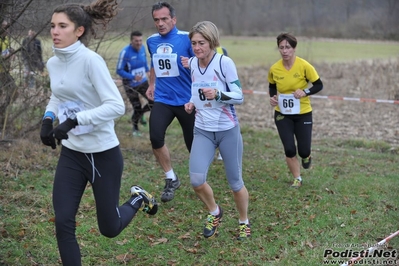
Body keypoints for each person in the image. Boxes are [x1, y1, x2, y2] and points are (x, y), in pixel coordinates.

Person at [39, 1, 158, 265]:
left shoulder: (91, 62)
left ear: (79, 30)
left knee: (110, 228)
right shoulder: (54, 63)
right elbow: (57, 96)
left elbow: (115, 106)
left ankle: (138, 198)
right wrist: (48, 119)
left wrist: (73, 121)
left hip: (103, 154)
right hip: (72, 155)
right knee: (63, 221)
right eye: (52, 26)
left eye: (62, 26)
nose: (54, 32)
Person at [182, 21, 250, 240]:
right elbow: (197, 92)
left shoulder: (224, 63)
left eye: (201, 43)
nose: (197, 48)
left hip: (227, 130)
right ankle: (214, 211)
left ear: (212, 42)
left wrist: (219, 94)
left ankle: (243, 221)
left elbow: (239, 95)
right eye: (193, 43)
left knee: (235, 183)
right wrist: (192, 103)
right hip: (202, 130)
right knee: (196, 180)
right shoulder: (193, 63)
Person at [146, 1, 195, 203]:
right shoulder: (151, 41)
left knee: (194, 146)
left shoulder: (188, 39)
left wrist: (191, 63)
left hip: (187, 101)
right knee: (155, 138)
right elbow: (154, 64)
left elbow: (204, 65)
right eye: (156, 20)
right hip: (163, 99)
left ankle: (200, 178)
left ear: (173, 19)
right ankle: (171, 178)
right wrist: (151, 84)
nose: (160, 23)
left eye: (164, 19)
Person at [268, 32, 323, 188]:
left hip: (303, 112)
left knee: (303, 150)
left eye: (288, 47)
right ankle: (297, 179)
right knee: (290, 148)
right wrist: (273, 97)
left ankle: (307, 157)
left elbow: (319, 85)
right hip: (282, 114)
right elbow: (272, 85)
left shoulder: (305, 66)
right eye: (281, 48)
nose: (285, 51)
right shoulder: (274, 68)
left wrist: (305, 92)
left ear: (294, 48)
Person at [116, 30, 152, 136]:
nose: (139, 43)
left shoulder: (143, 49)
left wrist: (149, 72)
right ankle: (135, 129)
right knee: (136, 106)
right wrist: (132, 77)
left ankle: (139, 115)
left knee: (153, 100)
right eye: (136, 41)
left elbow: (145, 63)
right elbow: (119, 70)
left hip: (142, 81)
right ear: (131, 41)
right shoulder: (125, 52)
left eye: (140, 40)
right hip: (130, 84)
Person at [215, 44, 228, 161]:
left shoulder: (222, 50)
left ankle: (222, 151)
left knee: (220, 121)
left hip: (219, 91)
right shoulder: (197, 49)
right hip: (203, 90)